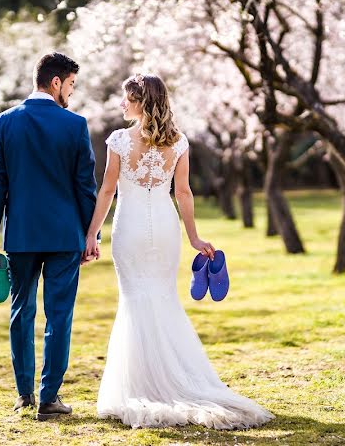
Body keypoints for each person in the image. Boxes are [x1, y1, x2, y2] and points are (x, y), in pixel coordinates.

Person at [85, 73, 272, 429]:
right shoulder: (179, 141)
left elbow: (107, 191)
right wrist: (194, 238)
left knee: (135, 300)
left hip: (131, 229)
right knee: (163, 298)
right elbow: (183, 193)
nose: (121, 104)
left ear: (141, 102)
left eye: (127, 98)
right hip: (166, 230)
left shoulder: (120, 141)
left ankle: (140, 386)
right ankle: (178, 379)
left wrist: (92, 233)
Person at [0, 52, 100, 421]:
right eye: (71, 85)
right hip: (65, 235)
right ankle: (49, 399)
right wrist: (90, 234)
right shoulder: (75, 126)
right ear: (56, 82)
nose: (72, 94)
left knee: (21, 312)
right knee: (59, 316)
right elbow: (85, 188)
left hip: (22, 235)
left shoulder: (2, 123)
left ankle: (23, 395)